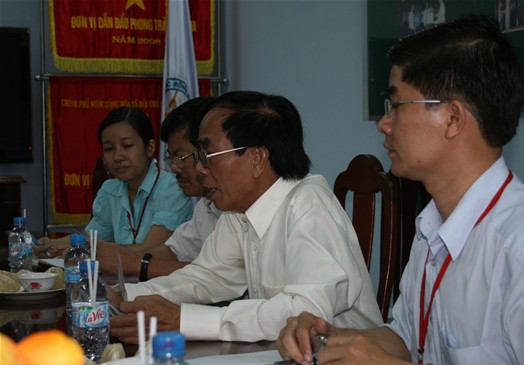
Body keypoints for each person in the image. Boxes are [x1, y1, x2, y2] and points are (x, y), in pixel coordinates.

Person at [276, 14, 524, 365]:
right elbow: (407, 339)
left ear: (452, 118)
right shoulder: (434, 227)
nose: (384, 124)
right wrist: (332, 341)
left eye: (396, 105)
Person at [110, 91, 382, 343]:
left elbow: (307, 313)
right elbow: (208, 277)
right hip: (281, 358)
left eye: (208, 155)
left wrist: (186, 320)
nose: (201, 169)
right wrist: (124, 296)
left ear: (257, 158)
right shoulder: (238, 209)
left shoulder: (309, 206)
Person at [35, 107, 193, 256]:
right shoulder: (110, 190)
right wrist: (50, 244)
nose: (117, 157)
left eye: (127, 145)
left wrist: (94, 246)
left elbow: (150, 252)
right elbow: (91, 237)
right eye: (109, 149)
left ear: (150, 148)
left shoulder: (174, 188)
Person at [95, 98, 219, 279]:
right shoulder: (205, 207)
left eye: (181, 157)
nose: (174, 168)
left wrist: (130, 263)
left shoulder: (174, 189)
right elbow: (173, 251)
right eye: (108, 148)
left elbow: (216, 276)